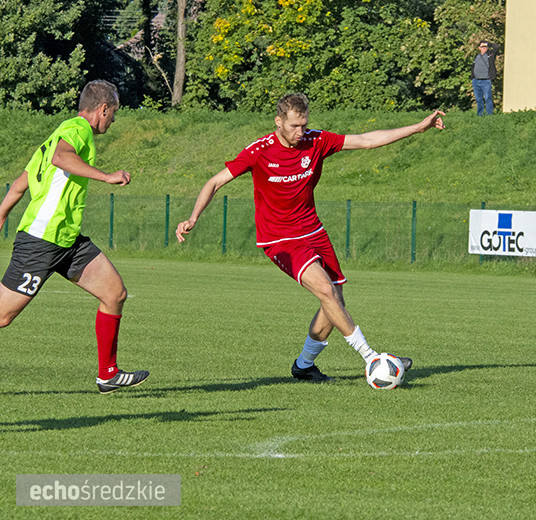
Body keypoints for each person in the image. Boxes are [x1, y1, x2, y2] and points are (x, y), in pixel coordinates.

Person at [175, 94, 445, 383]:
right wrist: (193, 217)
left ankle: (304, 365)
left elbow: (366, 140)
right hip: (279, 238)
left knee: (335, 298)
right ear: (278, 121)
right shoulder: (259, 151)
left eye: (304, 125)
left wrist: (418, 127)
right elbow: (215, 181)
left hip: (313, 231)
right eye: (293, 126)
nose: (300, 132)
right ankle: (372, 358)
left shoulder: (316, 141)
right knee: (327, 292)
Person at [0, 80, 149, 394]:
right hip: (42, 240)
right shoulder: (77, 130)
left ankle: (107, 374)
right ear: (103, 109)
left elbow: (19, 185)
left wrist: (0, 215)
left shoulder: (54, 136)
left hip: (67, 239)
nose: (113, 120)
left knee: (115, 293)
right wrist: (107, 176)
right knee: (2, 316)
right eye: (113, 114)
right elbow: (61, 158)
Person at [471, 40, 500, 116]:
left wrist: (488, 43)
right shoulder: (476, 56)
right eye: (482, 46)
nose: (484, 48)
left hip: (486, 81)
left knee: (488, 98)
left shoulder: (490, 55)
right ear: (479, 48)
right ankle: (480, 114)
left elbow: (497, 47)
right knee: (479, 99)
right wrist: (473, 78)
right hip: (476, 81)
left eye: (485, 46)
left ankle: (489, 114)